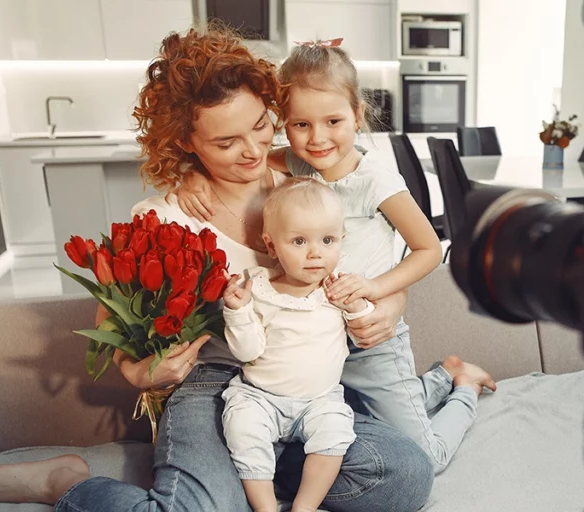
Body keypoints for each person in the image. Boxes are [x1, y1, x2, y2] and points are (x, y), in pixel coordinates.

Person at [0, 27, 433, 512]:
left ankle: (249, 476)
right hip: (217, 385)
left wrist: (391, 303)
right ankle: (66, 483)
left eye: (262, 125)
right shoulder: (165, 217)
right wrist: (140, 373)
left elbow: (376, 260)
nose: (252, 151)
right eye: (225, 142)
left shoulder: (309, 180)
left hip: (311, 385)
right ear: (186, 141)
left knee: (406, 477)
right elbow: (109, 327)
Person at [176, 38, 496, 474]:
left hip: (370, 343)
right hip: (321, 346)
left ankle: (464, 386)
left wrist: (378, 288)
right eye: (300, 124)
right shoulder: (297, 163)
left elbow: (428, 249)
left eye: (333, 121)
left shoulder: (376, 180)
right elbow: (234, 162)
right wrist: (191, 175)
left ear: (358, 115)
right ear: (285, 125)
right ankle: (437, 380)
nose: (318, 138)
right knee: (371, 421)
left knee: (427, 458)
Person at [220, 178, 371, 512]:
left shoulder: (338, 289)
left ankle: (305, 505)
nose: (315, 252)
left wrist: (356, 306)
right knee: (242, 429)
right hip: (260, 395)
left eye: (327, 240)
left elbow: (364, 336)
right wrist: (238, 311)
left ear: (341, 242)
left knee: (335, 433)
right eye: (299, 241)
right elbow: (246, 352)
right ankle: (265, 507)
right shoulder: (257, 287)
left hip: (320, 399)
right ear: (271, 246)